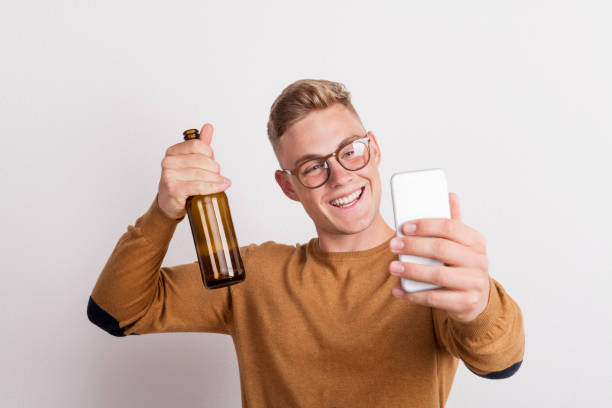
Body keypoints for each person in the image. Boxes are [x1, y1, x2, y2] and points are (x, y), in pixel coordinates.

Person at [88, 79, 525, 407]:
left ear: (373, 148)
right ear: (289, 186)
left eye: (350, 150)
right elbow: (116, 311)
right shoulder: (254, 277)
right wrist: (165, 211)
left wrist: (479, 302)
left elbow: (500, 360)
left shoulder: (429, 268)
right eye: (313, 167)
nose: (340, 176)